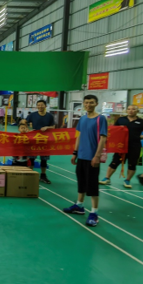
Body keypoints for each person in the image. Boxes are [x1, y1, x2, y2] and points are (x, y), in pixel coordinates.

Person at [63, 95, 107, 227]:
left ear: (96, 104)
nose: (88, 105)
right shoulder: (82, 119)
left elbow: (103, 138)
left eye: (91, 102)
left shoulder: (101, 119)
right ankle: (79, 206)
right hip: (81, 156)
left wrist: (97, 156)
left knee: (92, 185)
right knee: (81, 182)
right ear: (83, 104)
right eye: (86, 102)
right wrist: (75, 153)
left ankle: (94, 213)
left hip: (92, 157)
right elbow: (79, 136)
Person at [99, 105, 143, 188]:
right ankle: (107, 178)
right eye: (129, 109)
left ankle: (127, 180)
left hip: (135, 146)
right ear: (126, 111)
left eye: (133, 109)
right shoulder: (121, 120)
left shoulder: (142, 122)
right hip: (121, 146)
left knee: (132, 165)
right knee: (114, 162)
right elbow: (113, 130)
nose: (131, 110)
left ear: (137, 111)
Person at [26, 100, 56, 184]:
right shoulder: (32, 115)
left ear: (45, 106)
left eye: (42, 105)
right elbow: (23, 122)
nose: (40, 106)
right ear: (37, 106)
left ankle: (43, 176)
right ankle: (30, 175)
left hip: (45, 141)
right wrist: (28, 130)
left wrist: (47, 127)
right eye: (38, 105)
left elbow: (53, 127)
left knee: (44, 160)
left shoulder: (50, 116)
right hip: (34, 140)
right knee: (31, 159)